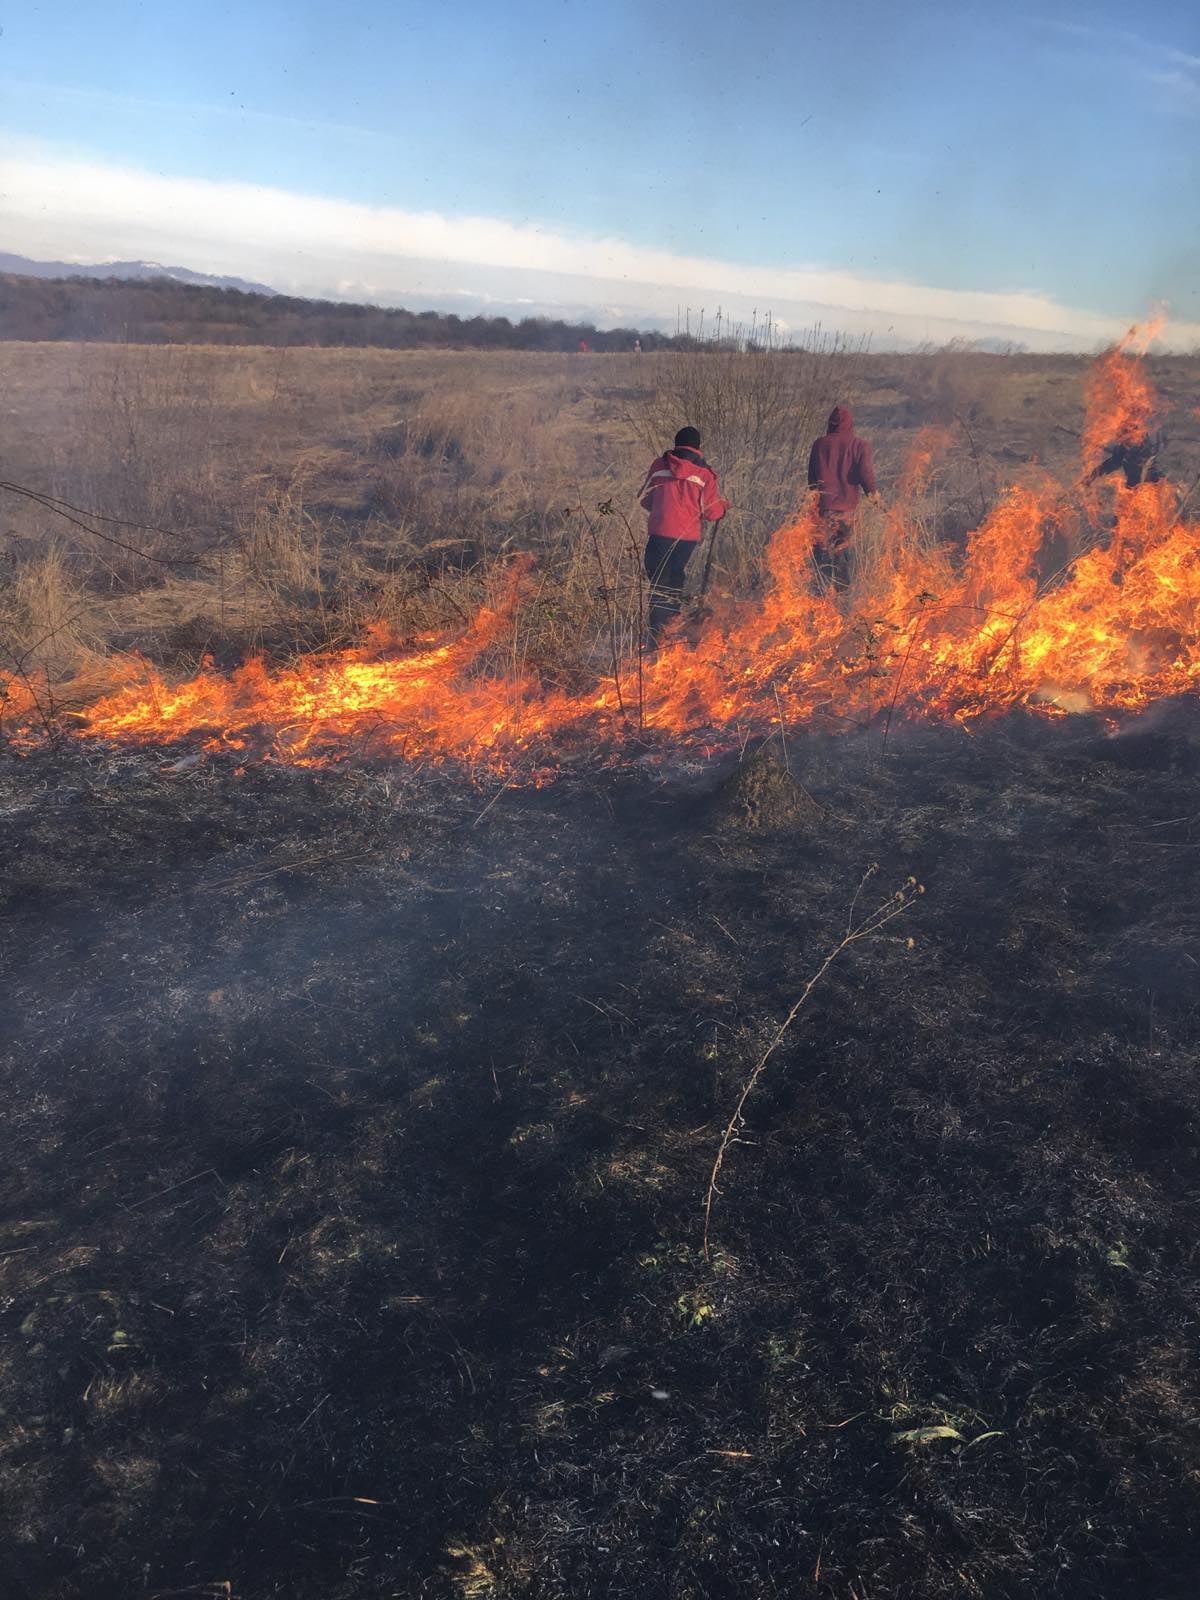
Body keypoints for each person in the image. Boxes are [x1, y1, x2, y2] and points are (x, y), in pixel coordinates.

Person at [637, 426, 729, 645]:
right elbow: (711, 512)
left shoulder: (659, 466)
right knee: (673, 582)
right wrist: (724, 506)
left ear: (676, 443)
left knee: (658, 582)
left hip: (659, 534)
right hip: (686, 539)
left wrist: (663, 507)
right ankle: (668, 633)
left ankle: (655, 637)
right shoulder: (705, 473)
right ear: (697, 447)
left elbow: (645, 500)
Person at [807, 404, 877, 592]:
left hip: (823, 510)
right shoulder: (860, 446)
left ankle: (820, 600)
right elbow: (865, 472)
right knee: (843, 553)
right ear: (850, 424)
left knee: (822, 554)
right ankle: (843, 598)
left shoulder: (819, 445)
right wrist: (873, 493)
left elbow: (812, 482)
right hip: (847, 512)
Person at [1087, 430, 1166, 488]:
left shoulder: (1147, 449)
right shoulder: (1122, 451)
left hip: (1149, 487)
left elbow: (1154, 472)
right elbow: (1108, 465)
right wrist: (1092, 476)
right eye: (1124, 441)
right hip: (1132, 487)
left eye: (1128, 440)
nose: (1126, 444)